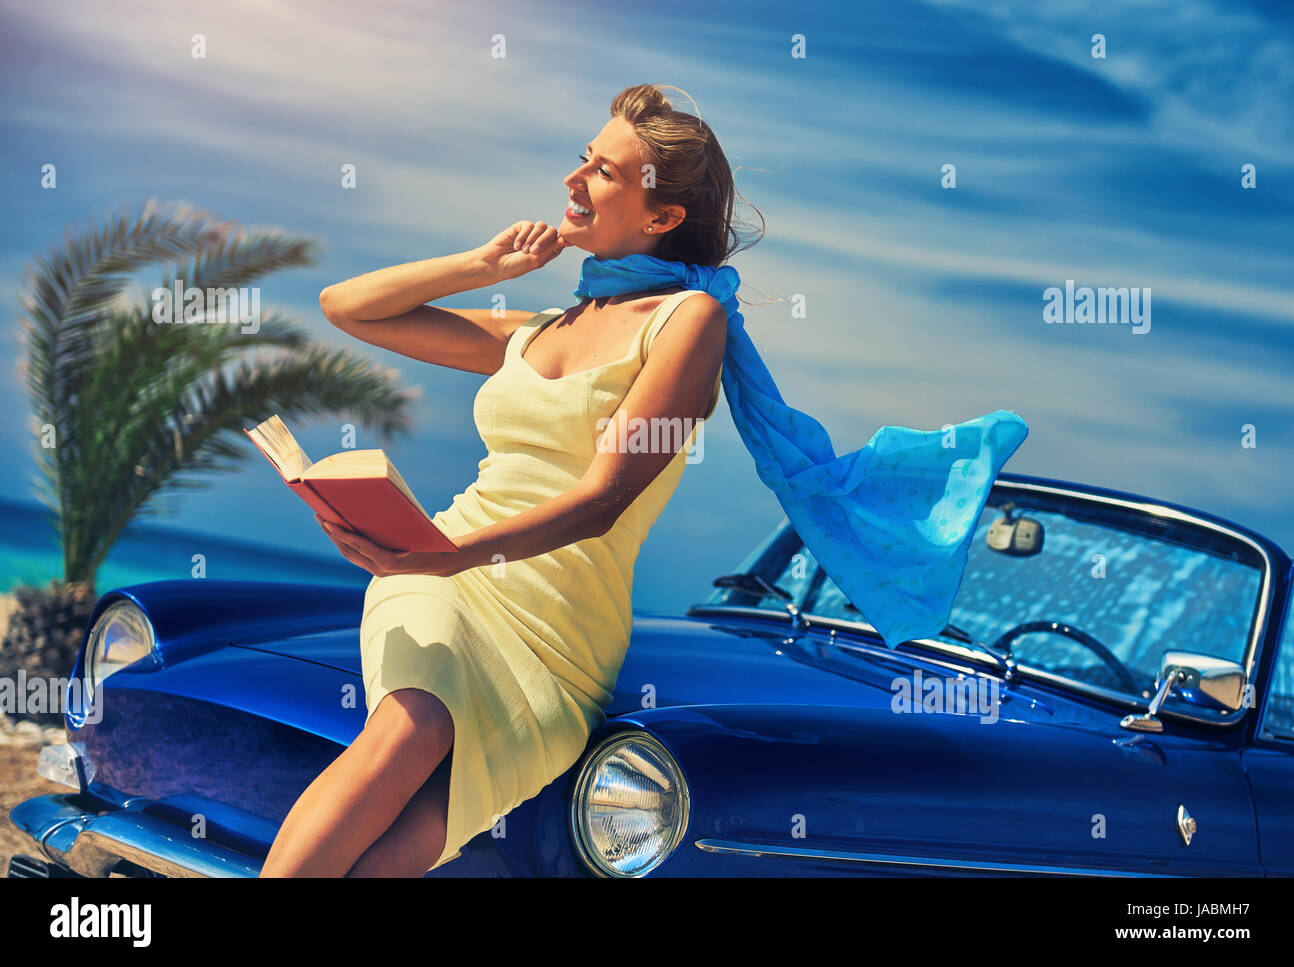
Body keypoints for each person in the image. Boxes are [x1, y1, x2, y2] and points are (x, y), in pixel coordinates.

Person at [260, 82, 1026, 877]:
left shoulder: (687, 321)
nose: (574, 181)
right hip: (445, 579)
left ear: (661, 218)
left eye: (605, 173)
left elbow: (603, 500)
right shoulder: (537, 330)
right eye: (583, 161)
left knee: (407, 839)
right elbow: (346, 306)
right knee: (412, 724)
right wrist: (482, 263)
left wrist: (446, 555)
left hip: (558, 633)